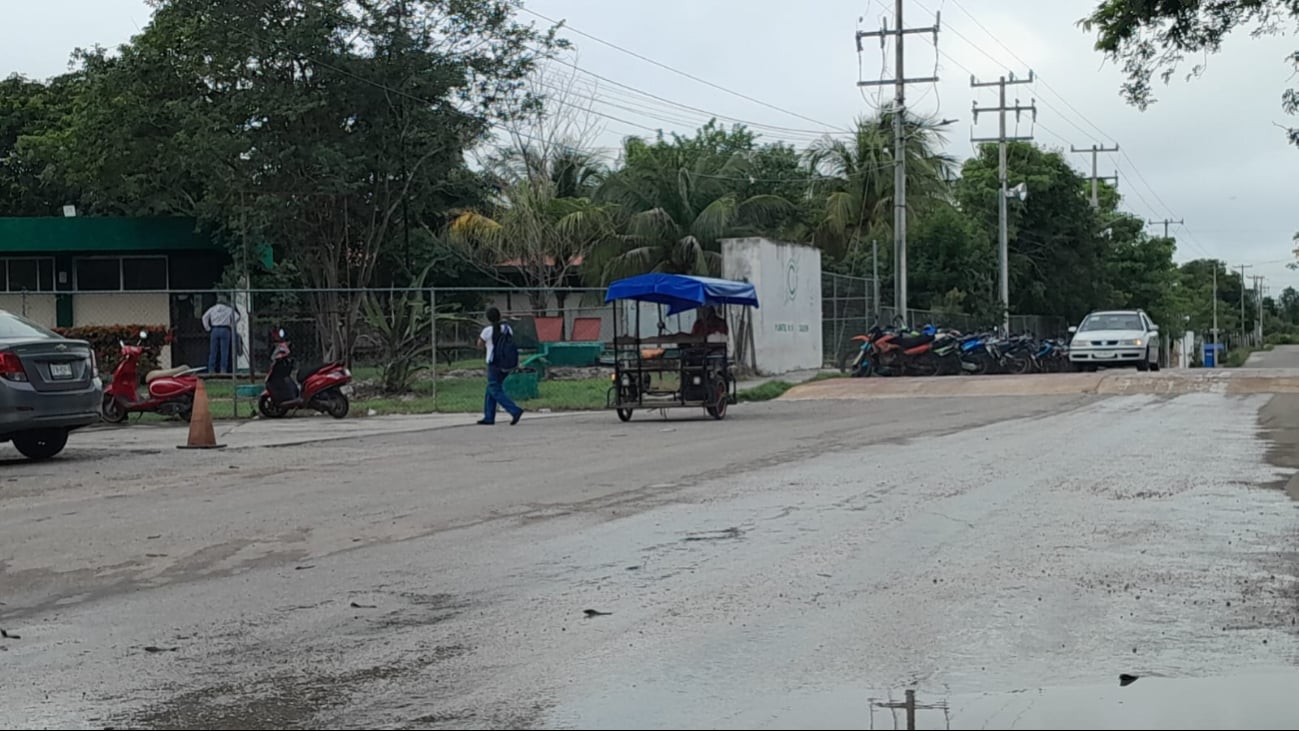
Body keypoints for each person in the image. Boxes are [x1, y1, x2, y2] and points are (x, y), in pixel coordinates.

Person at [478, 307, 523, 426]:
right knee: (491, 390)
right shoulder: (507, 328)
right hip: (506, 363)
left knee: (494, 389)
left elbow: (479, 344)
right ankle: (489, 417)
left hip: (493, 363)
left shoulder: (487, 331)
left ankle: (514, 410)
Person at [202, 295, 238, 375]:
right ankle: (223, 370)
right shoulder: (228, 309)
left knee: (213, 351)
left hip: (214, 329)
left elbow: (204, 317)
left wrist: (207, 328)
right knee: (224, 351)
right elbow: (237, 317)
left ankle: (211, 369)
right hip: (225, 329)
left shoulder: (212, 309)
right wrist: (232, 324)